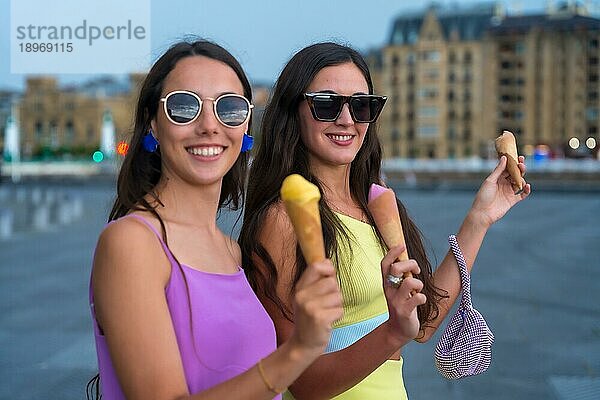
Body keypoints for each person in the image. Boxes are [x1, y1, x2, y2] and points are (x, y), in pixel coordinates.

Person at [238, 42, 531, 400]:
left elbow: (421, 322)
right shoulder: (284, 219)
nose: (346, 120)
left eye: (361, 105)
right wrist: (393, 331)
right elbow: (302, 383)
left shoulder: (376, 205)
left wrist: (480, 217)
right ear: (294, 112)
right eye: (327, 104)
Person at [88, 40, 343, 400]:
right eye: (183, 107)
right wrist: (298, 351)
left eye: (230, 109)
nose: (209, 125)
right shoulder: (132, 243)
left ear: (246, 127)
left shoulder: (231, 251)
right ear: (153, 125)